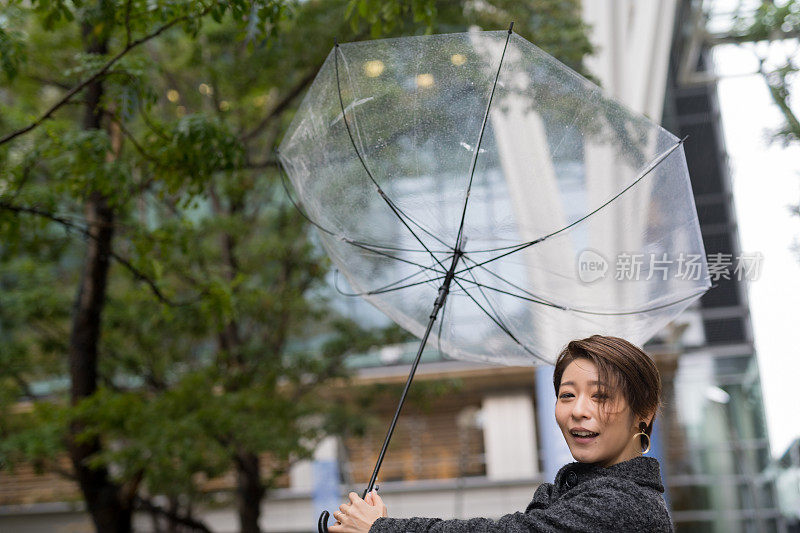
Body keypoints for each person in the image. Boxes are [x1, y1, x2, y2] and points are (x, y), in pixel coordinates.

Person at [328, 335, 674, 533]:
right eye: (567, 395)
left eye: (600, 396)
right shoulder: (573, 493)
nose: (578, 410)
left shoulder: (626, 503)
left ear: (643, 414)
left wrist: (381, 530)